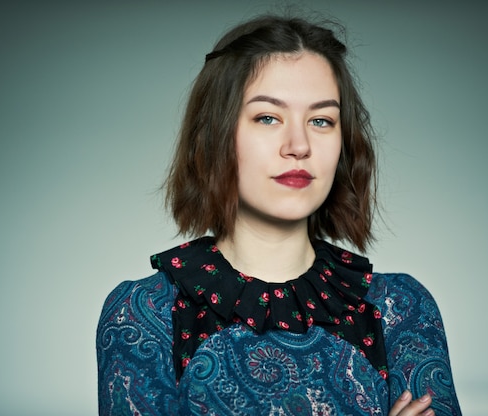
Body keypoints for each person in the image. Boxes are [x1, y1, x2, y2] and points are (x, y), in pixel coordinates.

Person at [96, 14, 461, 415]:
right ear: (215, 135)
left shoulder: (399, 309)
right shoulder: (147, 311)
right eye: (268, 117)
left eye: (321, 120)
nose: (299, 145)